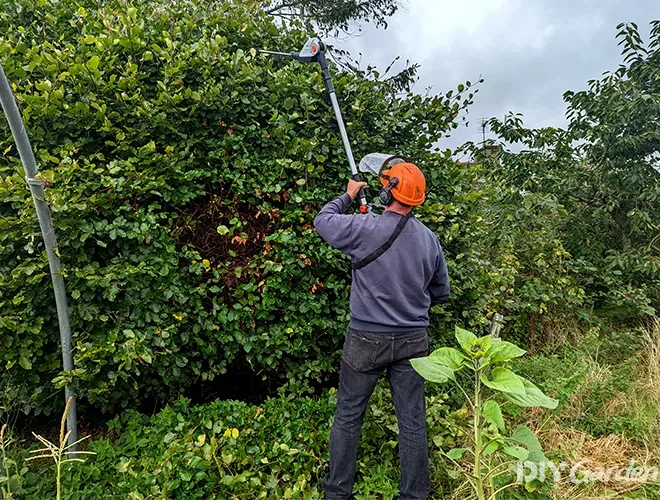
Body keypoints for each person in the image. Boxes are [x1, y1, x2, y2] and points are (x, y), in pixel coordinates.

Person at [314, 162, 450, 500]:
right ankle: (415, 496)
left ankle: (337, 493)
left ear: (387, 190)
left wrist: (347, 196)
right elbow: (440, 292)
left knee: (348, 417)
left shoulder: (365, 227)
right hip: (413, 341)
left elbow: (323, 222)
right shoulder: (429, 239)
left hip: (365, 339)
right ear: (417, 199)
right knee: (413, 422)